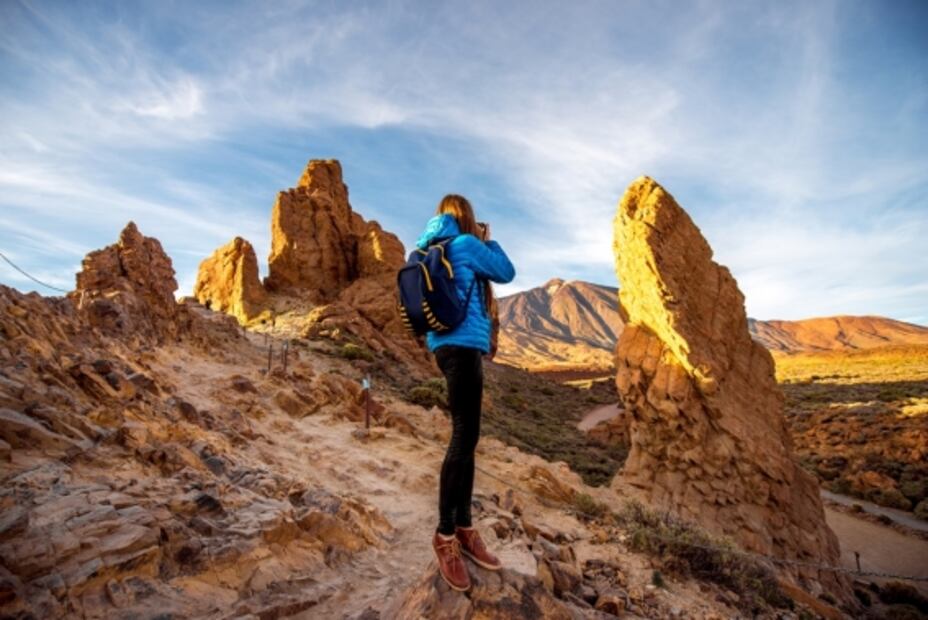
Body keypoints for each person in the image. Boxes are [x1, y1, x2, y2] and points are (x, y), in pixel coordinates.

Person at [415, 194, 515, 591]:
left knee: (466, 439)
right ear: (467, 217)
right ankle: (445, 535)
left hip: (442, 347)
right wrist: (488, 240)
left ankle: (465, 527)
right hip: (464, 345)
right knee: (463, 438)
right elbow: (506, 271)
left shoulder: (428, 247)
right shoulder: (466, 245)